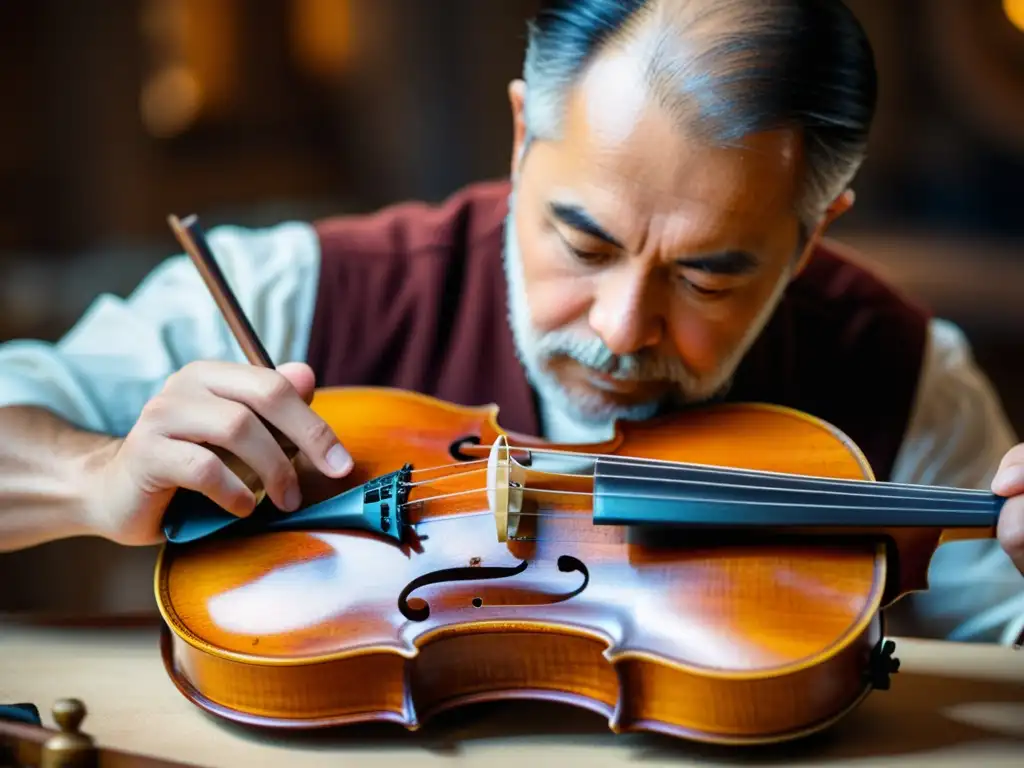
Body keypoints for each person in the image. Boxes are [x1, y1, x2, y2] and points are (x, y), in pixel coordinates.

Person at [0, 0, 1021, 644]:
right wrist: (92, 478)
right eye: (582, 245)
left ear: (808, 240)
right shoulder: (301, 289)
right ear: (524, 131)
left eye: (709, 277)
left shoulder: (901, 376)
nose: (624, 328)